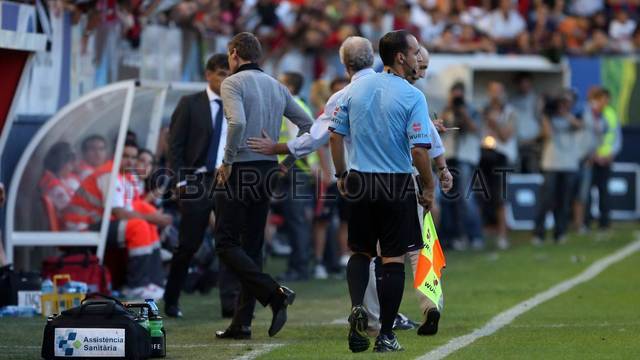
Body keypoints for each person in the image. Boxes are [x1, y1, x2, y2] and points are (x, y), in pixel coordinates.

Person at [330, 30, 435, 353]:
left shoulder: (355, 87)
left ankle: (357, 306)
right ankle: (386, 334)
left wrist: (342, 174)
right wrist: (429, 185)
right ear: (400, 57)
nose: (419, 58)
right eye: (415, 52)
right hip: (395, 183)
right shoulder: (412, 95)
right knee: (392, 258)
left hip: (360, 179)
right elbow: (419, 151)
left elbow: (335, 135)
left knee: (360, 252)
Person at [213, 32, 312, 340]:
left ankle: (273, 294)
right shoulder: (277, 86)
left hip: (241, 168)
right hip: (268, 169)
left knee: (226, 242)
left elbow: (238, 123)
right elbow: (310, 125)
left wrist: (227, 161)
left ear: (233, 54)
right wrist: (287, 160)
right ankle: (241, 323)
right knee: (252, 246)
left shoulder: (231, 83)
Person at [362, 46, 452, 338]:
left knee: (377, 254)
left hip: (375, 180)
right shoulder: (410, 96)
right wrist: (438, 174)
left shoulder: (378, 93)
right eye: (420, 66)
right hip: (405, 181)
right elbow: (425, 144)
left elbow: (425, 140)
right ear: (405, 60)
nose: (421, 73)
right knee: (422, 249)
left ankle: (377, 318)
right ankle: (430, 304)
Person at [164, 54, 238, 319]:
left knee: (228, 243)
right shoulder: (190, 103)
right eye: (221, 73)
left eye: (229, 74)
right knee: (188, 244)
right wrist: (180, 180)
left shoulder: (237, 104)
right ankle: (171, 299)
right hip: (196, 179)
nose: (225, 79)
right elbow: (175, 145)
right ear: (208, 75)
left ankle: (230, 303)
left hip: (226, 179)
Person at [64, 141, 170, 297]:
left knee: (147, 225)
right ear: (115, 155)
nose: (130, 161)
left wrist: (153, 218)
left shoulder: (123, 174)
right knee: (139, 227)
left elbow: (130, 207)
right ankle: (135, 286)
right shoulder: (109, 174)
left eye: (133, 157)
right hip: (82, 227)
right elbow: (119, 213)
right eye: (125, 156)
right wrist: (152, 217)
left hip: (97, 223)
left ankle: (153, 281)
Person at [275, 71, 318, 282]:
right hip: (294, 171)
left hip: (295, 170)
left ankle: (300, 267)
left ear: (290, 87)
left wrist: (285, 164)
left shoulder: (295, 108)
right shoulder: (294, 106)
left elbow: (298, 143)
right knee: (294, 220)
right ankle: (300, 264)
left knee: (296, 220)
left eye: (280, 83)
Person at [532, 92, 583, 245]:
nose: (563, 105)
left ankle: (559, 233)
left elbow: (579, 126)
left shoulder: (575, 116)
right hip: (551, 163)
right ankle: (539, 233)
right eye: (561, 102)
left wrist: (565, 114)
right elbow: (548, 133)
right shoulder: (549, 117)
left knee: (564, 200)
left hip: (569, 164)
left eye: (566, 102)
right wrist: (546, 114)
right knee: (546, 200)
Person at [439, 81, 484, 251]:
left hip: (466, 157)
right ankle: (451, 237)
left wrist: (463, 113)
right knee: (447, 199)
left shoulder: (472, 110)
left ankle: (475, 235)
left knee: (466, 198)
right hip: (449, 157)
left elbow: (475, 129)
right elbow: (440, 131)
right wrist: (449, 109)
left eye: (459, 95)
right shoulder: (446, 110)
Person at [479, 81, 517, 250]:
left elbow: (506, 135)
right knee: (482, 196)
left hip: (502, 158)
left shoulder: (510, 112)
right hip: (483, 156)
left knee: (500, 198)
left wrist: (494, 122)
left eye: (498, 91)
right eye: (492, 91)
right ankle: (482, 234)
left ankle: (502, 235)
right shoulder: (483, 111)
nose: (495, 95)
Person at [585, 88, 622, 230]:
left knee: (604, 191)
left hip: (606, 159)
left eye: (606, 99)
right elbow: (587, 137)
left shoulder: (611, 114)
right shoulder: (589, 113)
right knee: (586, 191)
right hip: (591, 159)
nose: (604, 102)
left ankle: (604, 222)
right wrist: (592, 155)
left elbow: (616, 137)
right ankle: (585, 221)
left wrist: (611, 154)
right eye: (602, 99)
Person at [510, 73, 542, 174]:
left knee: (532, 173)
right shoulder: (512, 100)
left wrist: (536, 138)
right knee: (515, 173)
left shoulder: (537, 99)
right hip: (516, 143)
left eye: (526, 83)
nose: (524, 86)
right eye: (522, 83)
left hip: (533, 143)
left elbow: (542, 120)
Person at [39, 142, 81, 213]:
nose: (72, 168)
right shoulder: (52, 185)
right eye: (70, 163)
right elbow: (72, 209)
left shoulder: (62, 179)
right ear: (60, 163)